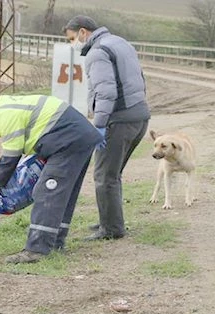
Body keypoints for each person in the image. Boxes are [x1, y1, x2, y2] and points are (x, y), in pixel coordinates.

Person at [0, 94, 104, 264]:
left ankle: (37, 250)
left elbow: (11, 155)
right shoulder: (6, 105)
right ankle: (54, 243)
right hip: (76, 137)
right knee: (62, 193)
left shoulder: (1, 114)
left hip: (68, 139)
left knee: (47, 192)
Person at [63, 15, 151, 240]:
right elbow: (140, 79)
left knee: (104, 175)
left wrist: (99, 125)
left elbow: (106, 92)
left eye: (72, 38)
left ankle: (111, 229)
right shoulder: (121, 42)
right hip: (139, 116)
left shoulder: (97, 52)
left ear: (83, 32)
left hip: (117, 121)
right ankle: (110, 220)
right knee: (113, 174)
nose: (72, 44)